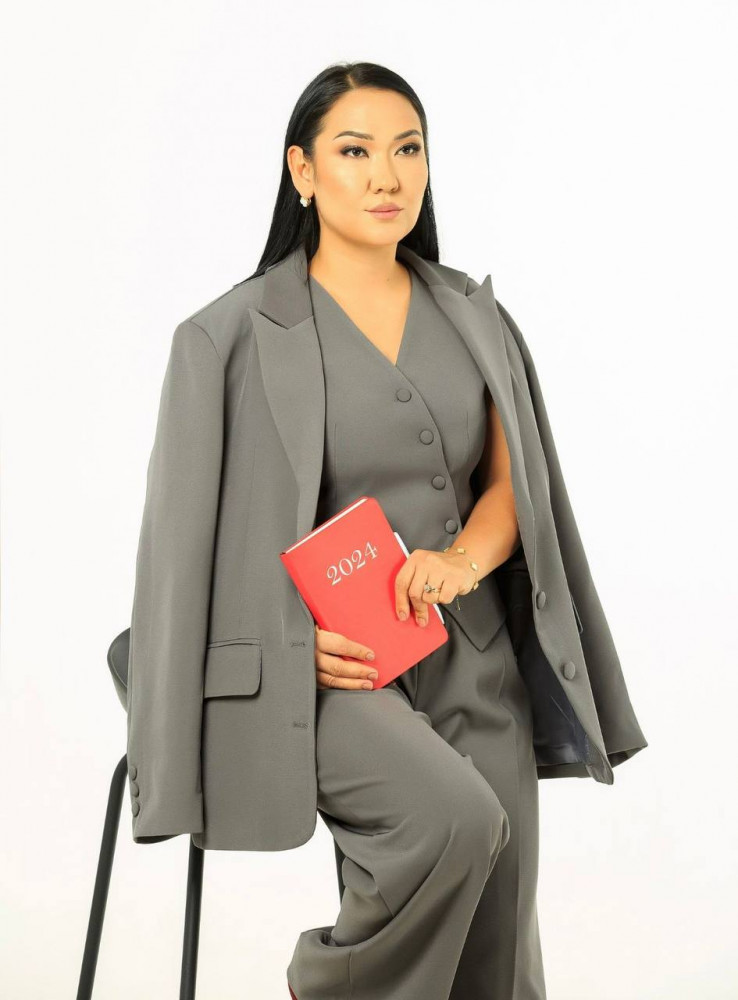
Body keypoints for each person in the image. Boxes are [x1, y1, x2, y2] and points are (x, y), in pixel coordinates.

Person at [125, 60, 648, 1000]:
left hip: (473, 653)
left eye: (408, 150)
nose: (387, 176)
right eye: (355, 151)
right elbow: (177, 556)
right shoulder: (225, 337)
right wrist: (287, 644)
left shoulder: (475, 316)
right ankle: (328, 986)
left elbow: (512, 487)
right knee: (453, 824)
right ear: (302, 170)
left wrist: (459, 562)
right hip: (333, 674)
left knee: (498, 940)